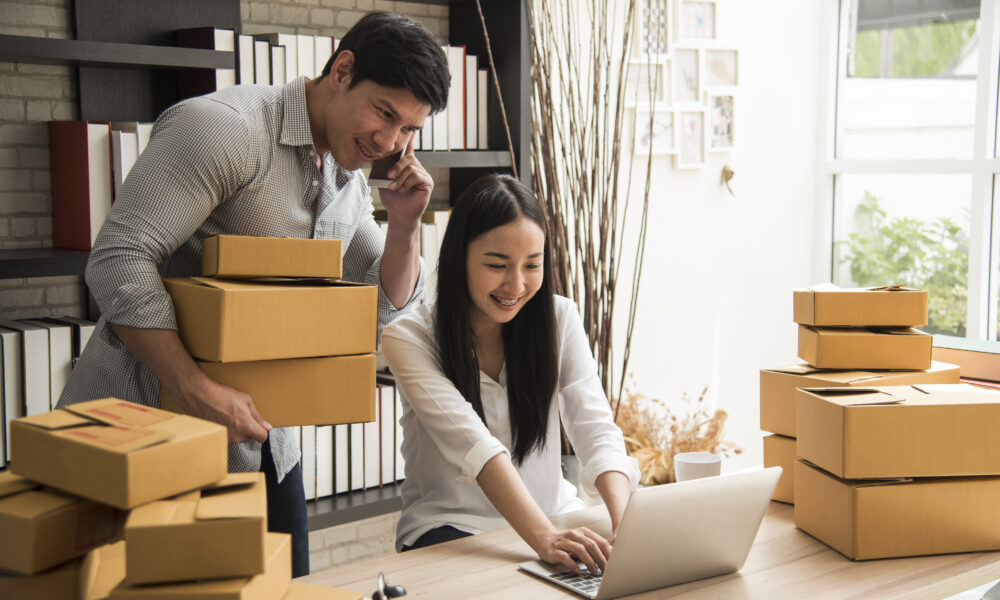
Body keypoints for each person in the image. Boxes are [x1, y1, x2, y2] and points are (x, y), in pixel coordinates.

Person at [56, 12, 450, 577]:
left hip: (265, 442)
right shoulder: (225, 129)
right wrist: (195, 388)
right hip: (145, 427)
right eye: (384, 113)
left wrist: (407, 226)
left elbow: (379, 307)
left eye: (410, 129)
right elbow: (118, 258)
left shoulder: (349, 173)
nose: (390, 143)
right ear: (342, 70)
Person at [381, 174, 640, 576]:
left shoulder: (560, 319)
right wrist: (544, 539)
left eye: (532, 265)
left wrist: (627, 524)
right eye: (497, 265)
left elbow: (596, 429)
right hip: (453, 529)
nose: (516, 285)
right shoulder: (408, 338)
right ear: (459, 259)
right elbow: (475, 446)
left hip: (555, 515)